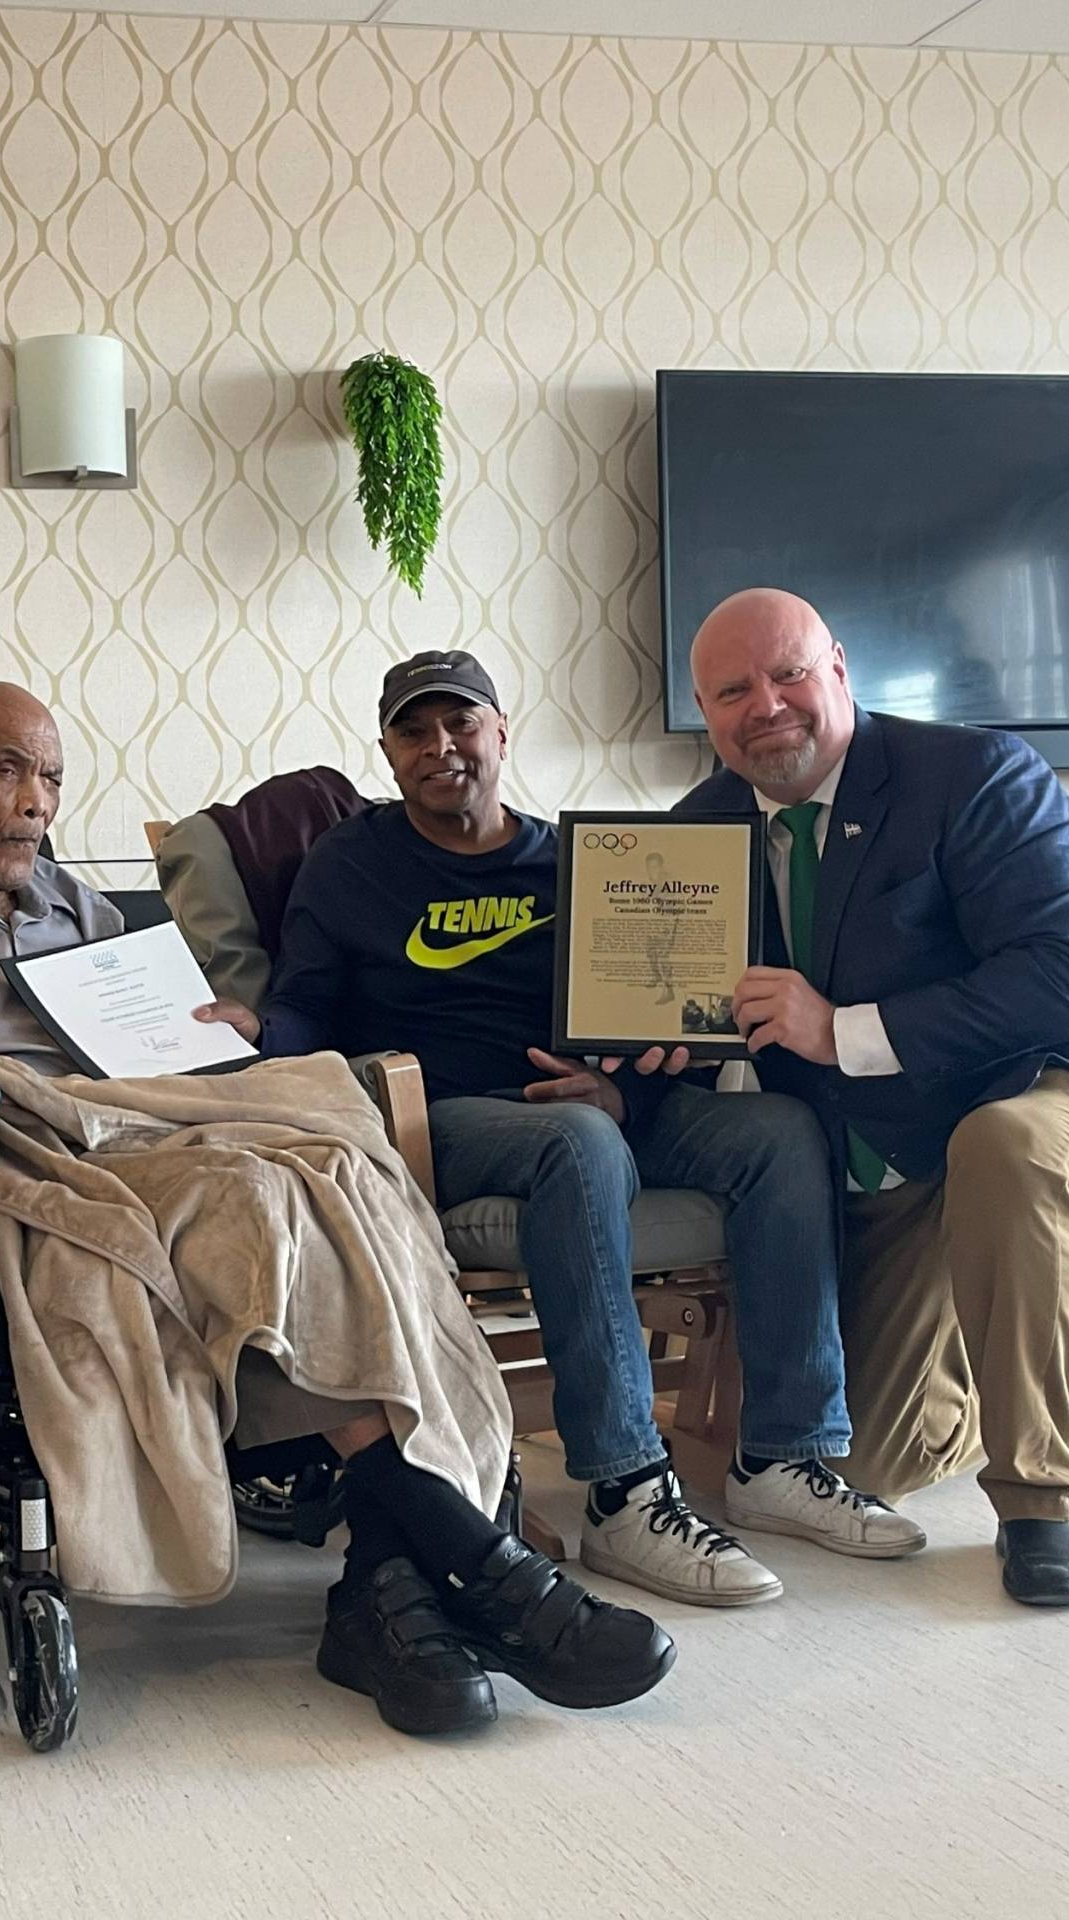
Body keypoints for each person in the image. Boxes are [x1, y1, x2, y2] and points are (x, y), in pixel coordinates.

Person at [0, 680, 672, 1736]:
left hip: (154, 1125)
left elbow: (163, 1051)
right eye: (10, 771)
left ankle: (387, 1588)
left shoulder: (77, 907)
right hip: (17, 1157)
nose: (38, 804)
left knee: (346, 1164)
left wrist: (203, 1038)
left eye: (53, 779)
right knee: (253, 1193)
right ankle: (480, 1562)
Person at [201, 651, 923, 1610]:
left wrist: (623, 1092)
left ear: (501, 733)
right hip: (440, 1122)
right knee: (577, 1145)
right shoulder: (350, 865)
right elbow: (307, 1008)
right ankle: (626, 1492)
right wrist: (256, 1033)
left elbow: (652, 1021)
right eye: (414, 732)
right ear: (388, 752)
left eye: (461, 723)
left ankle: (784, 1456)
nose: (440, 747)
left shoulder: (584, 866)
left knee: (780, 1131)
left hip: (601, 1109)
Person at [680, 588, 1069, 1606]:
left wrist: (840, 1028)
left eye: (788, 674)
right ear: (705, 711)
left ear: (839, 669)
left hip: (1061, 1093)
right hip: (901, 1152)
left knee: (1007, 1151)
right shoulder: (700, 830)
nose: (766, 706)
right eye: (732, 691)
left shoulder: (974, 775)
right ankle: (1065, 1334)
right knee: (868, 1460)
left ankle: (1039, 1506)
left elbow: (1064, 979)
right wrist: (639, 1053)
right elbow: (687, 1008)